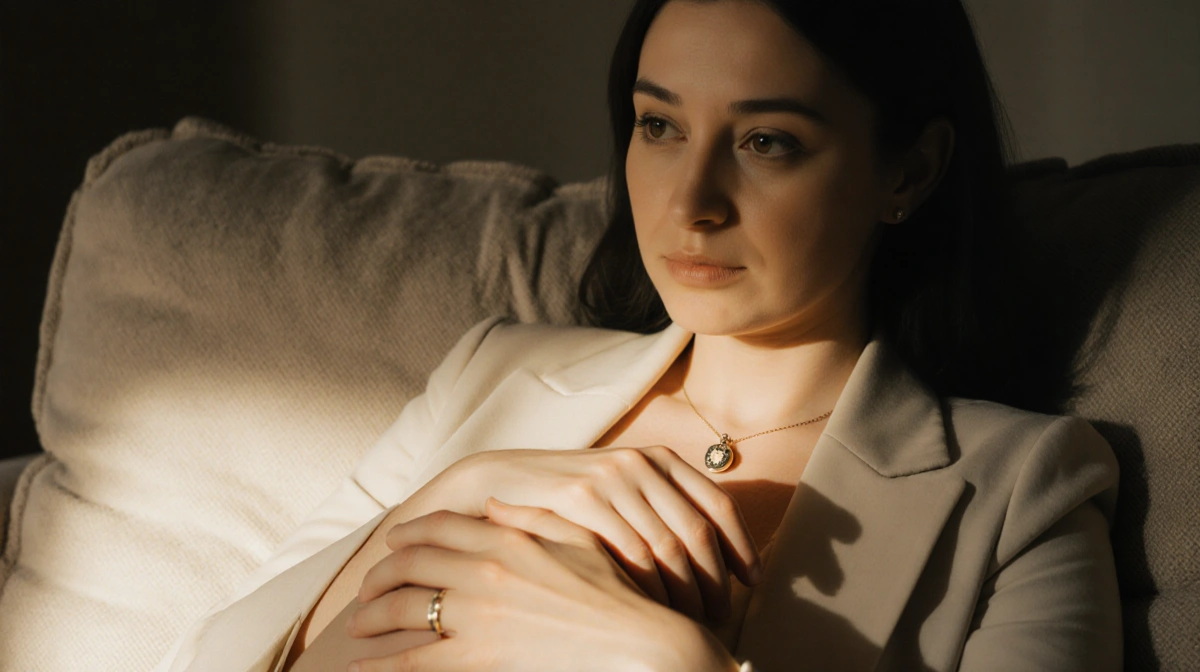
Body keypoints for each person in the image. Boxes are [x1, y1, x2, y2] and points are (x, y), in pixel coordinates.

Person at [155, 0, 1122, 670]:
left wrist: (664, 660)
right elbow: (206, 658)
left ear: (910, 172)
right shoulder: (497, 373)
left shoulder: (1023, 490)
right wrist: (456, 496)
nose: (690, 203)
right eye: (659, 126)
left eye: (765, 141)